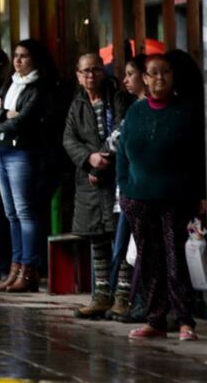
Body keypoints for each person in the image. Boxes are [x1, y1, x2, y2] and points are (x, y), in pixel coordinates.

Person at [117, 54, 206, 341]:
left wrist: (201, 194)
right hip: (139, 197)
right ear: (144, 77)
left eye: (164, 73)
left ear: (172, 76)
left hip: (176, 196)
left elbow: (198, 157)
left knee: (175, 257)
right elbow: (123, 155)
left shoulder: (186, 111)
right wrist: (125, 190)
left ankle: (183, 320)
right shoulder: (135, 112)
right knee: (149, 259)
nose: (159, 78)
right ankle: (155, 319)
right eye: (153, 73)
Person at [62, 52, 133, 314]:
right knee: (97, 239)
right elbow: (68, 140)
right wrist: (88, 159)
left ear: (103, 72)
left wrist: (100, 163)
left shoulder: (118, 99)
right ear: (78, 76)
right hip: (89, 182)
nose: (91, 75)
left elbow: (121, 134)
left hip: (115, 176)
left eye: (95, 69)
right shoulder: (77, 104)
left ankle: (123, 297)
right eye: (85, 71)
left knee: (122, 238)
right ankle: (102, 295)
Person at [0, 40, 54, 293]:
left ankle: (29, 269)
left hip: (23, 152)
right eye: (16, 56)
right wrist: (2, 115)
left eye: (24, 56)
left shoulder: (38, 87)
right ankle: (15, 267)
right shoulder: (10, 82)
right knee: (10, 213)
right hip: (2, 150)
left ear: (35, 60)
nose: (18, 61)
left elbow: (23, 122)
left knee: (25, 212)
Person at [105, 55, 146, 321]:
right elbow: (114, 142)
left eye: (131, 73)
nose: (126, 79)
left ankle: (140, 300)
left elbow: (120, 142)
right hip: (128, 188)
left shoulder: (149, 109)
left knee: (137, 247)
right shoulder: (133, 108)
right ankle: (125, 298)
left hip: (144, 188)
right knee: (123, 248)